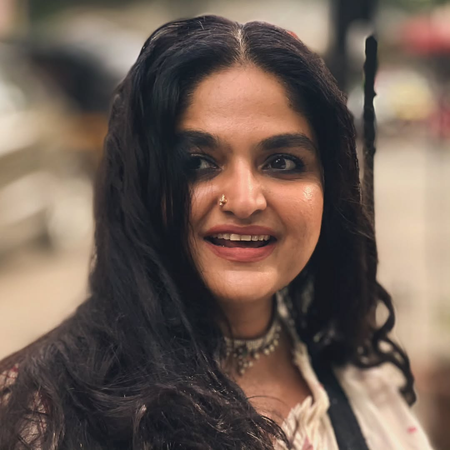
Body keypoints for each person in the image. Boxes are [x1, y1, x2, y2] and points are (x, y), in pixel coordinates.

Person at [0, 15, 433, 450]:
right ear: (140, 189)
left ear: (330, 188)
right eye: (198, 163)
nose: (244, 201)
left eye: (282, 162)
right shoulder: (46, 413)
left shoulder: (362, 383)